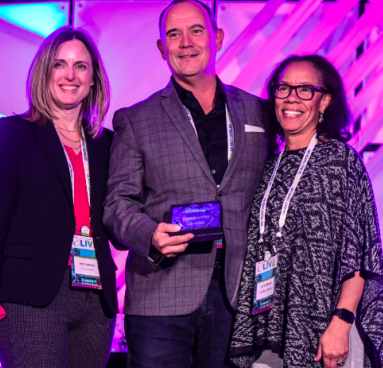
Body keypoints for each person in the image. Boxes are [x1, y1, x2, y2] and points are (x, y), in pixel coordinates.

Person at [103, 0, 268, 367]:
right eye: (173, 34)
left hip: (237, 295)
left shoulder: (260, 113)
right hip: (161, 295)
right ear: (162, 49)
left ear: (218, 38)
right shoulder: (136, 119)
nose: (185, 42)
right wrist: (149, 234)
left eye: (196, 31)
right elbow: (117, 206)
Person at [0, 26, 120, 368]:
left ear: (93, 79)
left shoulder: (108, 143)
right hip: (31, 299)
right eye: (60, 64)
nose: (70, 75)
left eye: (81, 66)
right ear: (44, 73)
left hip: (95, 301)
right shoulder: (14, 133)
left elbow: (118, 217)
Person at [228, 54, 383, 368]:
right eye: (283, 88)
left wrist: (341, 323)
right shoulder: (268, 165)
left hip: (326, 332)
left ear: (325, 101)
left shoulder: (340, 161)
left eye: (305, 90)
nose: (291, 98)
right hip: (271, 328)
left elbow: (358, 254)